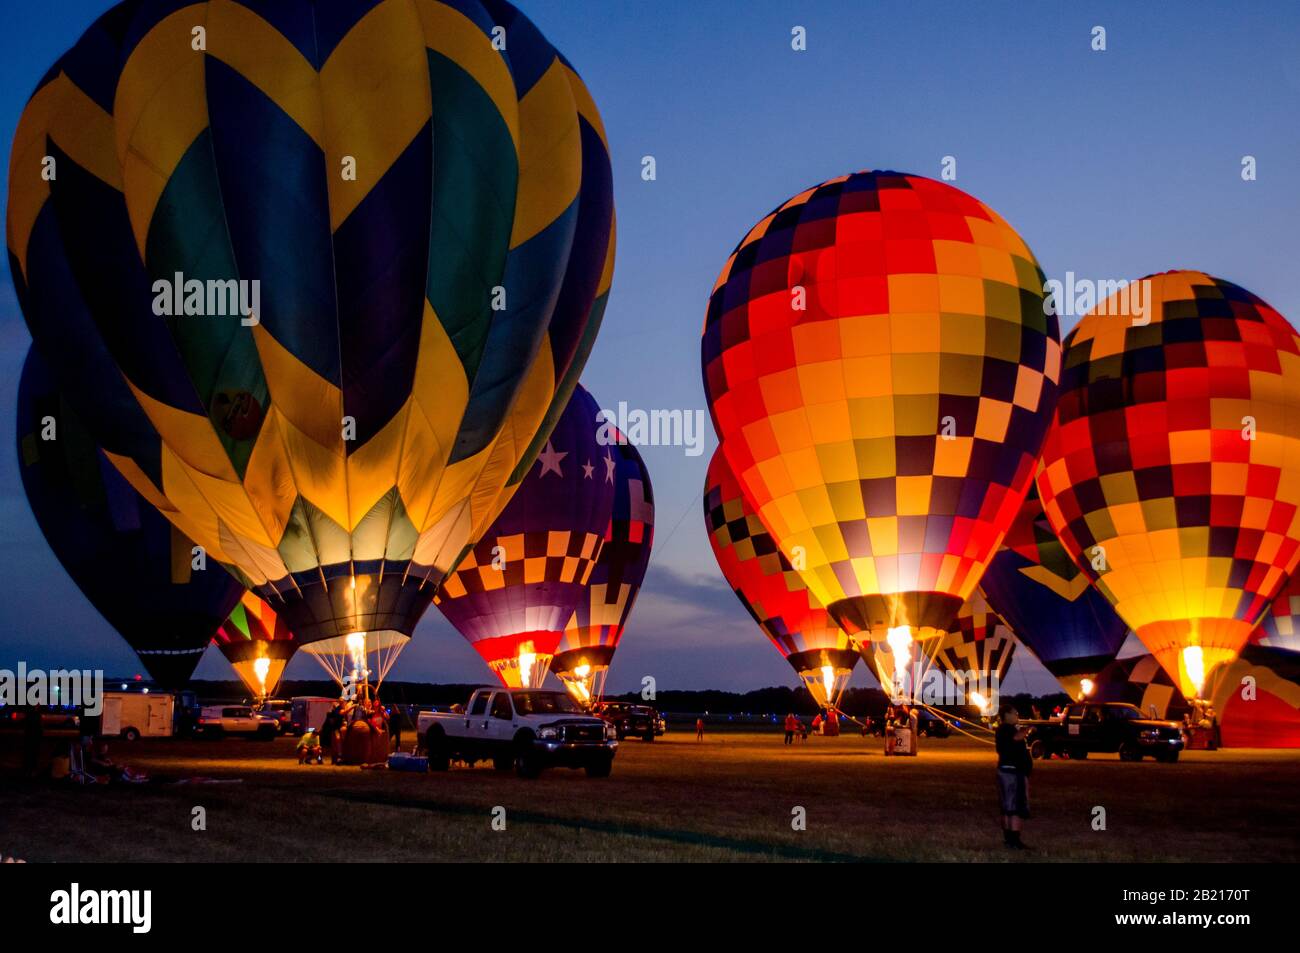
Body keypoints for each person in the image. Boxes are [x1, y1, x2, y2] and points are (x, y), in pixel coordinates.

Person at [995, 705, 1033, 849]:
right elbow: (1017, 737)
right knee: (1016, 806)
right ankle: (1014, 840)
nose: (1017, 715)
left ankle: (1009, 838)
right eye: (1015, 713)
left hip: (1007, 772)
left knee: (1007, 807)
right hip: (1012, 773)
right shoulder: (1007, 729)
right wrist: (1027, 729)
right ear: (1007, 715)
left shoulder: (1003, 730)